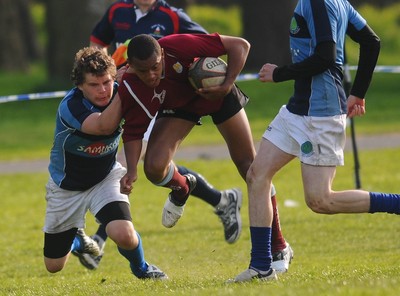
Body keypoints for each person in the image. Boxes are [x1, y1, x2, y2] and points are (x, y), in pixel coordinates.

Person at [76, 0, 293, 272]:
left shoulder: (178, 44)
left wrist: (226, 85)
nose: (151, 75)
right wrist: (132, 171)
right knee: (154, 168)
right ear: (130, 66)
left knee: (251, 169)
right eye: (143, 70)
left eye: (155, 67)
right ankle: (182, 187)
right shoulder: (132, 83)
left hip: (217, 96)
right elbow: (133, 131)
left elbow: (240, 45)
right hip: (180, 107)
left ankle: (279, 245)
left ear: (162, 56)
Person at [229, 0, 398, 283]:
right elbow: (371, 41)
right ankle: (261, 266)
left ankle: (397, 203)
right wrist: (358, 92)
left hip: (320, 114)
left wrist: (279, 74)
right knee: (257, 176)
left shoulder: (320, 2)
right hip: (297, 109)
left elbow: (326, 56)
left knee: (321, 200)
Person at [43, 47, 167, 280]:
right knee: (54, 265)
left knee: (124, 234)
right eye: (94, 85)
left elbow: (134, 133)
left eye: (107, 82)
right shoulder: (71, 106)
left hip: (105, 177)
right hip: (66, 186)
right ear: (80, 85)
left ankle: (142, 269)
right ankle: (78, 240)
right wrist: (125, 90)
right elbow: (103, 126)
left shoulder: (121, 91)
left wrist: (131, 170)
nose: (102, 90)